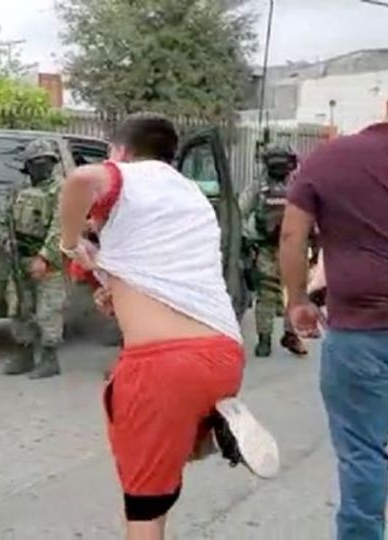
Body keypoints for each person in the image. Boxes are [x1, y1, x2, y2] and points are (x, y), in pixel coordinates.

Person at [58, 113, 279, 540]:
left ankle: (194, 432)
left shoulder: (126, 177)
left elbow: (80, 181)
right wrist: (112, 286)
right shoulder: (191, 196)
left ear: (120, 153)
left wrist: (69, 241)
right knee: (165, 460)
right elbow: (161, 271)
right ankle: (203, 425)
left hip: (163, 368)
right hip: (223, 353)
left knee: (143, 509)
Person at [280, 121, 388, 540]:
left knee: (362, 450)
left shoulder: (331, 157)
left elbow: (292, 233)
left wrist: (297, 301)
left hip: (359, 329)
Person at [0, 138, 67, 379]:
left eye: (46, 162)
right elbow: (3, 218)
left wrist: (45, 257)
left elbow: (61, 226)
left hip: (47, 260)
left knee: (48, 309)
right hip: (20, 257)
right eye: (36, 163)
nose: (41, 167)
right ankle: (23, 353)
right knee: (18, 306)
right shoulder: (18, 189)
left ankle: (49, 358)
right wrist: (7, 241)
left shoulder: (61, 189)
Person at [246, 145, 307, 357]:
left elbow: (242, 211)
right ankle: (291, 335)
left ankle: (264, 341)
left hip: (266, 248)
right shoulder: (300, 187)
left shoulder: (259, 187)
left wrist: (247, 241)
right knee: (294, 293)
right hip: (295, 249)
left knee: (266, 296)